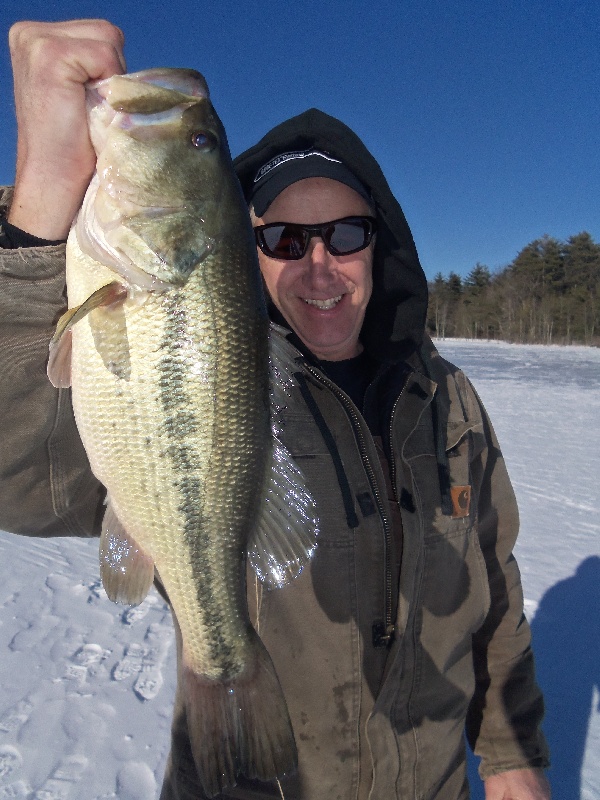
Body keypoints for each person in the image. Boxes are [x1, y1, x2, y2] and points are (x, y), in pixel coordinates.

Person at [0, 19, 551, 800]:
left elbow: (495, 588)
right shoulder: (221, 375)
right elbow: (16, 468)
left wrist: (510, 753)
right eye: (286, 239)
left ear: (380, 244)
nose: (319, 266)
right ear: (246, 253)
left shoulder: (450, 402)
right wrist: (40, 210)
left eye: (346, 234)